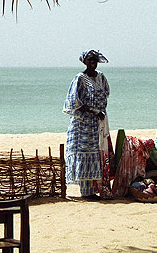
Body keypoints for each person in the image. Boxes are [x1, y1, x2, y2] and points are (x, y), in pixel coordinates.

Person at [63, 49, 114, 200]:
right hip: (83, 124)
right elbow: (74, 102)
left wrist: (100, 113)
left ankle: (96, 188)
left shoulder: (101, 77)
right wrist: (93, 110)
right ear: (84, 62)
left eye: (95, 60)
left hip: (97, 123)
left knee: (97, 154)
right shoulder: (79, 78)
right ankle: (86, 192)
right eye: (90, 60)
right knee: (84, 155)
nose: (93, 63)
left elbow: (106, 95)